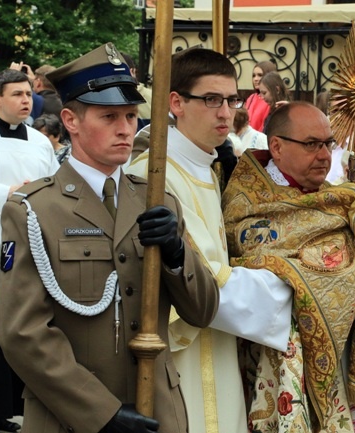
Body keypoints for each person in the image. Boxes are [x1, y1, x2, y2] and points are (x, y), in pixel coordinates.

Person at [0, 42, 219, 433]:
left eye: (131, 116)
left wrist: (177, 254)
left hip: (157, 411)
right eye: (110, 116)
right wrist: (102, 413)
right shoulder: (33, 209)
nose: (125, 128)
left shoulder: (157, 199)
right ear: (71, 120)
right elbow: (21, 333)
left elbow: (202, 311)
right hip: (71, 416)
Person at [222, 101, 355, 432]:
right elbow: (256, 256)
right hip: (287, 359)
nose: (324, 155)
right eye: (311, 144)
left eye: (327, 143)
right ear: (276, 147)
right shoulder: (247, 205)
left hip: (352, 366)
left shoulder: (343, 198)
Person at [127, 47, 293, 433]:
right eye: (212, 100)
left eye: (232, 99)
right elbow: (201, 272)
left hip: (219, 342)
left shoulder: (210, 163)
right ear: (176, 103)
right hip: (181, 350)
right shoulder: (153, 174)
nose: (226, 112)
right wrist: (295, 288)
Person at [0, 67, 59, 433]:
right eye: (17, 94)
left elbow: (53, 184)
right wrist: (9, 194)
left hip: (30, 242)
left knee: (20, 321)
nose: (25, 100)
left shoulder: (40, 141)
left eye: (29, 94)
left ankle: (11, 409)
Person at [245, 60, 277, 130]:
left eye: (260, 75)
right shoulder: (251, 97)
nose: (255, 79)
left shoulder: (271, 98)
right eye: (254, 76)